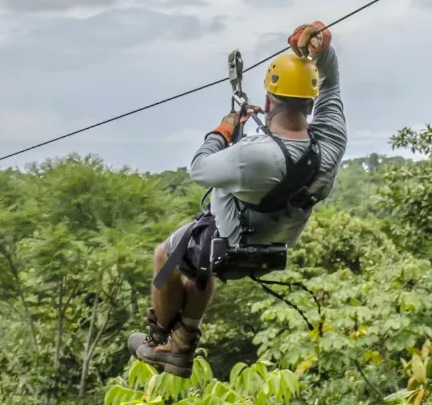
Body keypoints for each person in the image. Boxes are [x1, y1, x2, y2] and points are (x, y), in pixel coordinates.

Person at [126, 21, 347, 377]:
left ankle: (160, 342)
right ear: (311, 101)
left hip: (235, 237)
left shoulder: (253, 156)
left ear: (268, 100)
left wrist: (224, 130)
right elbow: (332, 84)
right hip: (278, 239)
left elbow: (199, 168)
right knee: (197, 263)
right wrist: (323, 51)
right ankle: (182, 343)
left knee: (165, 254)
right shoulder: (330, 143)